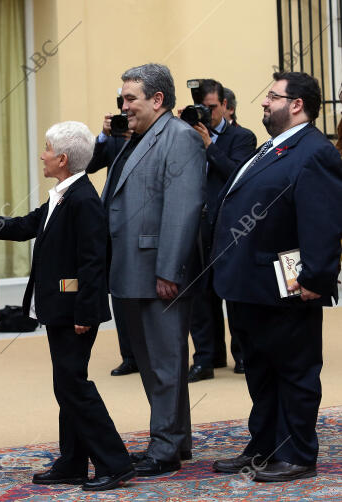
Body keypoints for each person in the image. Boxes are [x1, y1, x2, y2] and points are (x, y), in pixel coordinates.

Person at [0, 121, 136, 492]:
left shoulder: (84, 199)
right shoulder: (62, 194)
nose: (41, 154)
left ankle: (115, 462)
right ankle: (73, 462)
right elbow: (24, 225)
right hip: (60, 308)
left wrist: (85, 313)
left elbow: (92, 261)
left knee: (73, 386)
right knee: (66, 385)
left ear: (62, 158)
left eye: (45, 148)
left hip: (74, 312)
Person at [211, 72, 342, 481]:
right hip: (249, 283)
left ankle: (297, 454)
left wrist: (316, 278)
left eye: (272, 96)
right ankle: (264, 446)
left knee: (295, 371)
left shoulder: (315, 151)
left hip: (288, 286)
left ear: (297, 104)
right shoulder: (272, 147)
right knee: (260, 370)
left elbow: (322, 220)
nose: (264, 103)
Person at [102, 63, 205, 476]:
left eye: (131, 99)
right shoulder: (137, 138)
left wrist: (170, 271)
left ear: (158, 100)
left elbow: (184, 209)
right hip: (132, 270)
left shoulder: (179, 138)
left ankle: (164, 448)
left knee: (165, 364)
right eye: (123, 98)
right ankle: (175, 440)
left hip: (158, 272)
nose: (123, 106)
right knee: (154, 365)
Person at [183, 79, 257, 382]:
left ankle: (241, 354)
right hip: (196, 224)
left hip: (231, 227)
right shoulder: (187, 137)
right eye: (202, 107)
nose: (207, 113)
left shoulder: (243, 137)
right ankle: (206, 358)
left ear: (227, 106)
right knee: (200, 296)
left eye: (211, 107)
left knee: (233, 294)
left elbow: (238, 176)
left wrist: (210, 147)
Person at [86, 114, 138, 377]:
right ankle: (129, 356)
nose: (127, 114)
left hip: (140, 224)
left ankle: (148, 353)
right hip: (113, 224)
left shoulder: (152, 139)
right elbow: (91, 165)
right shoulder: (114, 139)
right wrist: (104, 135)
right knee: (117, 290)